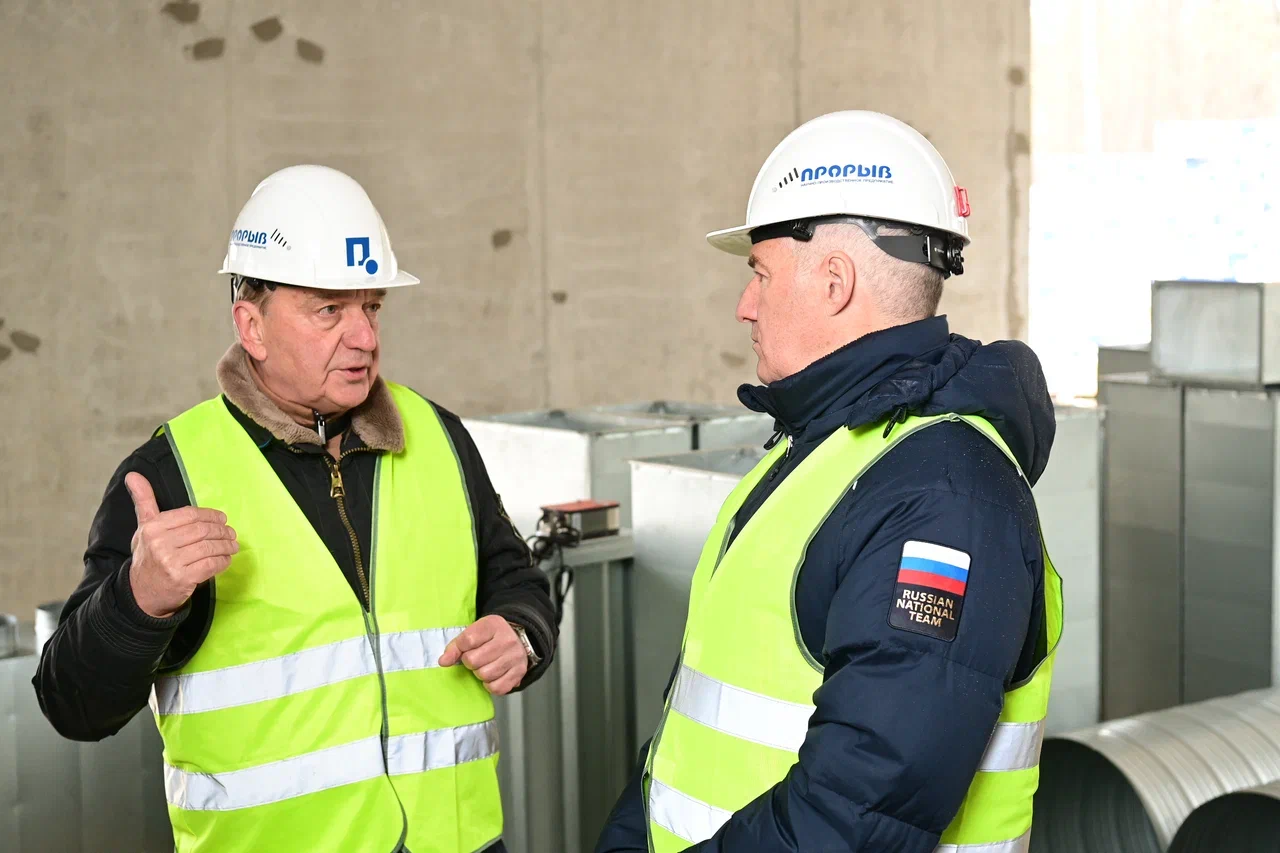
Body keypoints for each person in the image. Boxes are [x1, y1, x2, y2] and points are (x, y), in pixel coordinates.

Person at [33, 164, 558, 853]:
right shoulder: (170, 475)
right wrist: (139, 600)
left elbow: (517, 579)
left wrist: (520, 633)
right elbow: (72, 705)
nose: (365, 338)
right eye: (329, 310)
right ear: (251, 325)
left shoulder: (439, 438)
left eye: (372, 307)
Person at [596, 110, 1063, 853]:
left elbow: (855, 811)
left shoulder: (945, 499)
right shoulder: (822, 451)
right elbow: (689, 728)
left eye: (760, 273)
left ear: (835, 281)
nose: (744, 305)